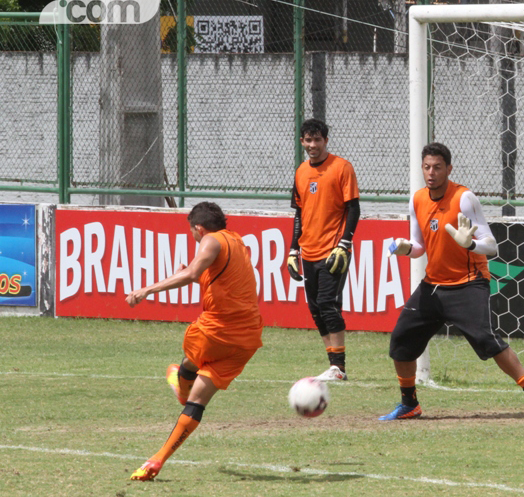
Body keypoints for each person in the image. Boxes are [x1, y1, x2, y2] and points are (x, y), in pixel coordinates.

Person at [382, 142, 524, 420]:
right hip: (434, 285)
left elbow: (492, 246)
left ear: (449, 169)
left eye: (438, 167)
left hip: (468, 283)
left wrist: (471, 244)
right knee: (401, 340)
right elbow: (418, 247)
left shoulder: (464, 198)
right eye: (427, 167)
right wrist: (405, 247)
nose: (431, 173)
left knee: (487, 340)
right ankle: (409, 403)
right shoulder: (416, 200)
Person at [126, 202, 263, 480]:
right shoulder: (238, 242)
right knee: (196, 402)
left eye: (192, 232)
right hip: (248, 338)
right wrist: (197, 274)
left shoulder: (211, 240)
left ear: (198, 229)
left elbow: (190, 274)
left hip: (217, 331)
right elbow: (225, 283)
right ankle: (156, 461)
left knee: (194, 352)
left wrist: (145, 290)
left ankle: (181, 384)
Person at [286, 119, 360, 381]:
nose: (313, 145)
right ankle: (334, 366)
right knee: (315, 307)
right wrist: (293, 250)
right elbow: (299, 213)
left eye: (317, 140)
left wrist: (345, 243)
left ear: (326, 141)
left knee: (329, 303)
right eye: (308, 140)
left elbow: (353, 208)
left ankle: (339, 367)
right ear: (302, 142)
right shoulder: (300, 172)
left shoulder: (342, 168)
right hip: (309, 250)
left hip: (333, 249)